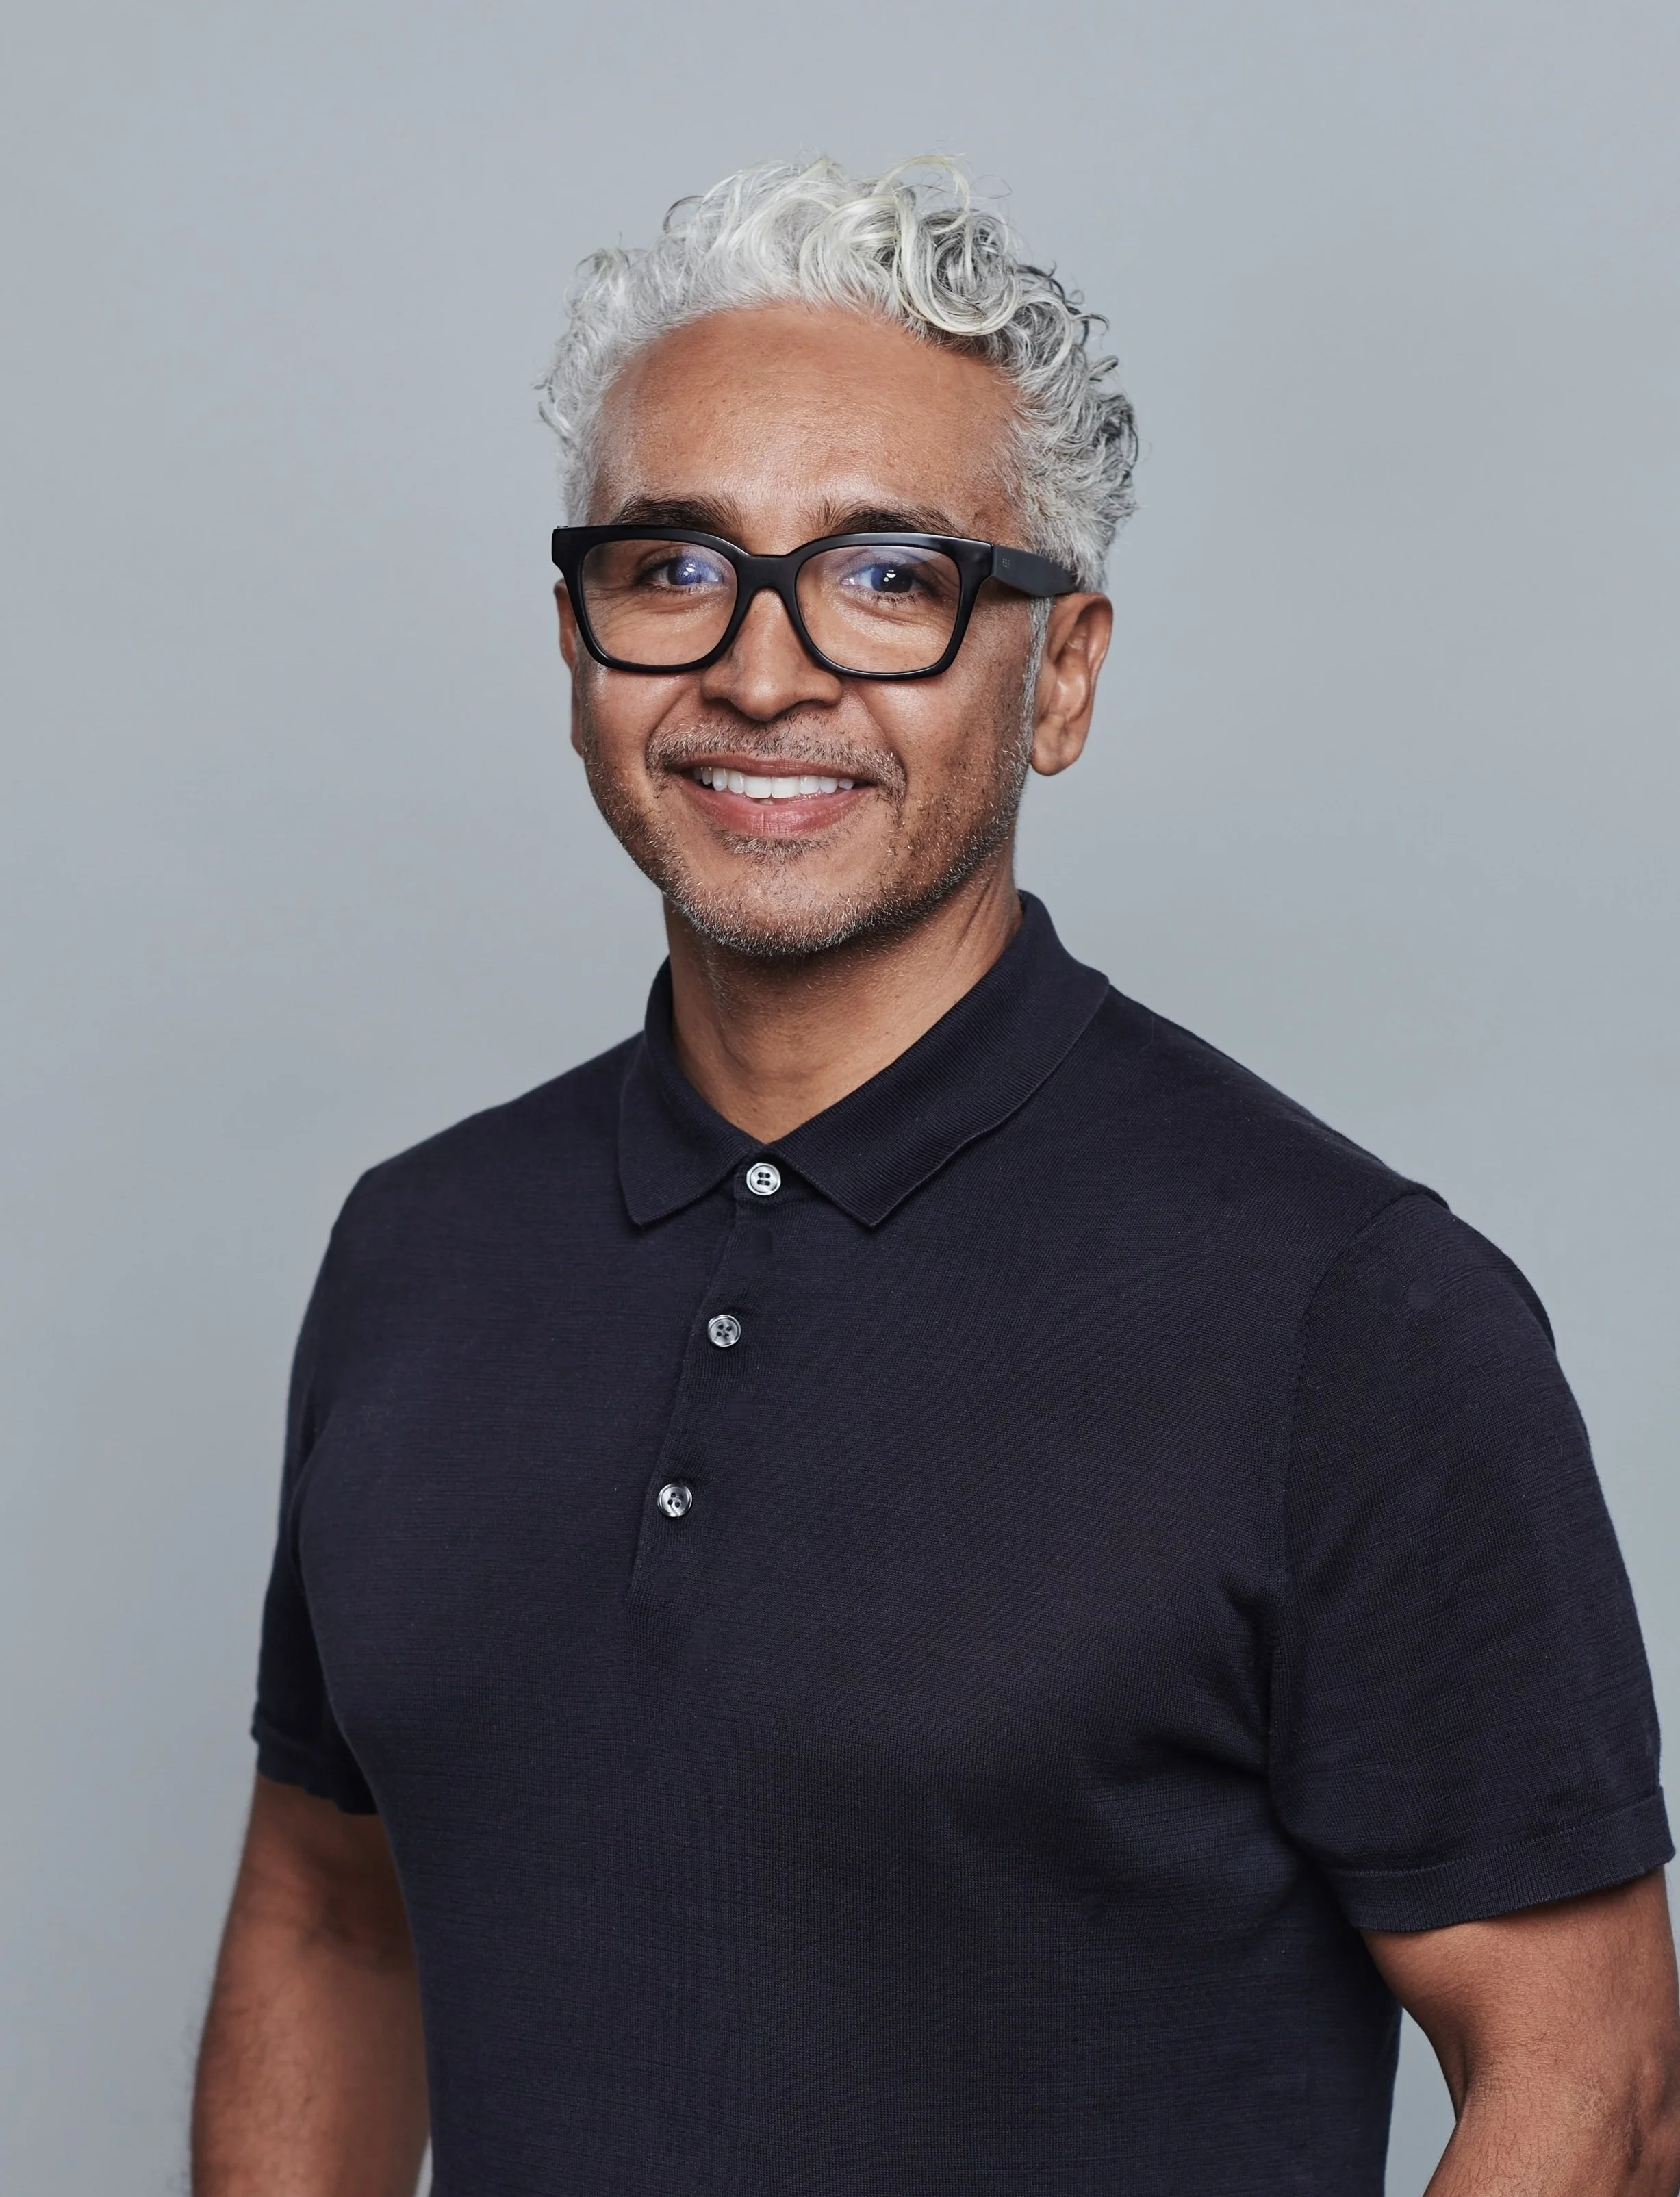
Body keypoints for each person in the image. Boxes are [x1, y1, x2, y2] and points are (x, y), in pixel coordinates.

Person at [191, 157, 1680, 2197]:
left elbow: (1585, 2086)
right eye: (672, 567)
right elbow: (331, 1910)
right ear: (576, 640)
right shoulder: (418, 1250)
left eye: (889, 576)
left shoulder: (1348, 1308)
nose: (763, 671)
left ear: (1055, 673)